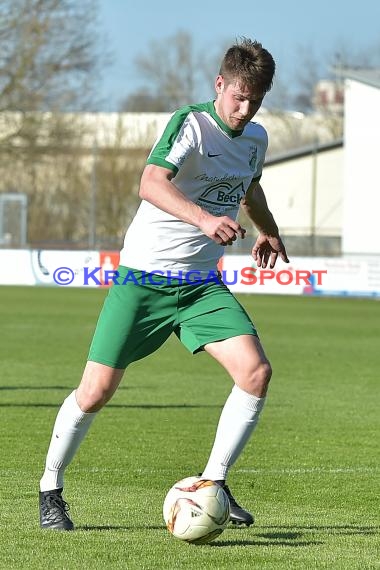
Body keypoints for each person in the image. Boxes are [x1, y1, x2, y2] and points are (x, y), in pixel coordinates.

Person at [39, 37, 289, 531]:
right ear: (220, 85)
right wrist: (202, 219)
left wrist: (269, 229)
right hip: (143, 281)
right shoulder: (191, 124)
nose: (244, 109)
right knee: (95, 391)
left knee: (256, 373)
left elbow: (250, 186)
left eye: (255, 100)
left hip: (200, 288)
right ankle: (51, 489)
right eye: (238, 96)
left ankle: (214, 483)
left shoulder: (256, 138)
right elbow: (150, 182)